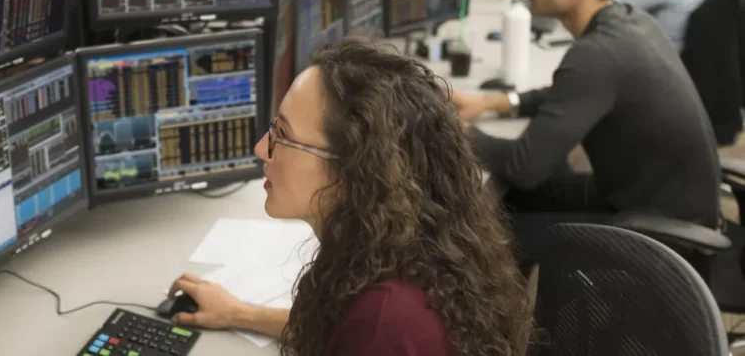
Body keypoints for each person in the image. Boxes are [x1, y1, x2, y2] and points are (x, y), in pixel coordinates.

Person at [167, 40, 534, 356]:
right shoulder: (398, 251)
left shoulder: (385, 318)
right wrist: (239, 313)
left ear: (353, 171)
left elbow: (366, 333)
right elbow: (333, 330)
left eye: (282, 135)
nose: (261, 148)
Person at [451, 0, 720, 232]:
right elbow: (569, 95)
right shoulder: (632, 21)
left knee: (481, 233)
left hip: (660, 242)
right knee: (518, 199)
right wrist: (491, 103)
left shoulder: (596, 55)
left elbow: (523, 167)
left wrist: (455, 131)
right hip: (666, 211)